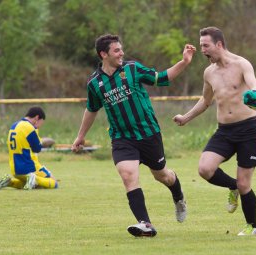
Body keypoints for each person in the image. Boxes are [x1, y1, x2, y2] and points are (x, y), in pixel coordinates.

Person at [71, 34, 196, 237]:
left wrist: (184, 61)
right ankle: (145, 223)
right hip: (122, 138)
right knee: (128, 175)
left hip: (148, 134)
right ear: (104, 54)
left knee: (162, 175)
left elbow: (162, 78)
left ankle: (178, 196)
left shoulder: (132, 69)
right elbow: (91, 109)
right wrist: (80, 136)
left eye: (121, 49)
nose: (122, 53)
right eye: (116, 50)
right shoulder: (94, 83)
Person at [172, 26, 256, 236]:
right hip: (225, 131)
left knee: (245, 182)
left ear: (219, 44)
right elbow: (205, 101)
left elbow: (255, 87)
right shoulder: (209, 72)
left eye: (206, 46)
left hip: (249, 130)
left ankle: (252, 227)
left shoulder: (241, 64)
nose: (202, 50)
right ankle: (233, 187)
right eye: (201, 45)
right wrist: (185, 118)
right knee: (205, 169)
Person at [0, 106, 58, 190]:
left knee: (27, 183)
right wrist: (41, 141)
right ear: (37, 117)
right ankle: (33, 179)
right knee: (53, 182)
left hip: (14, 170)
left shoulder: (14, 125)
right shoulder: (30, 128)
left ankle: (9, 182)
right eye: (40, 123)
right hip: (28, 167)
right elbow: (37, 149)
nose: (39, 127)